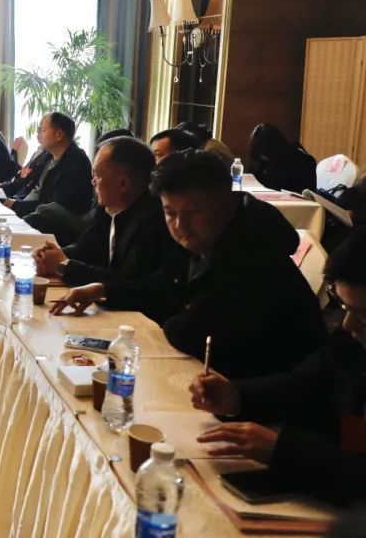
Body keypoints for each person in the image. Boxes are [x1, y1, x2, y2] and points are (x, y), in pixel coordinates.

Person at [190, 231, 366, 505]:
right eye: (344, 307)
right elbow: (300, 385)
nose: (347, 324)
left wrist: (282, 450)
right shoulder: (351, 344)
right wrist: (236, 397)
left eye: (363, 315)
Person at [153, 150, 325, 378]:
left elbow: (189, 333)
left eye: (193, 212)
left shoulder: (252, 250)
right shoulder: (209, 238)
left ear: (226, 201)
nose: (180, 225)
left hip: (269, 386)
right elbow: (164, 286)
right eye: (170, 213)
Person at [36, 137, 184, 323]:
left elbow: (125, 280)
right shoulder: (107, 209)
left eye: (98, 175)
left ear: (123, 184)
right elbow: (85, 249)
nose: (92, 182)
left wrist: (64, 265)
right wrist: (53, 254)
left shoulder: (153, 220)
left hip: (143, 321)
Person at [2, 112, 93, 243]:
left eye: (43, 130)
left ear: (59, 135)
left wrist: (17, 205)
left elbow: (55, 208)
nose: (40, 134)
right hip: (29, 209)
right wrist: (9, 197)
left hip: (52, 223)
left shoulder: (76, 163)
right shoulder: (46, 155)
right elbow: (27, 182)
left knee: (6, 233)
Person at [249, 122, 317, 193]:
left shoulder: (302, 161)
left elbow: (304, 194)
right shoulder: (262, 159)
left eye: (264, 153)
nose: (262, 156)